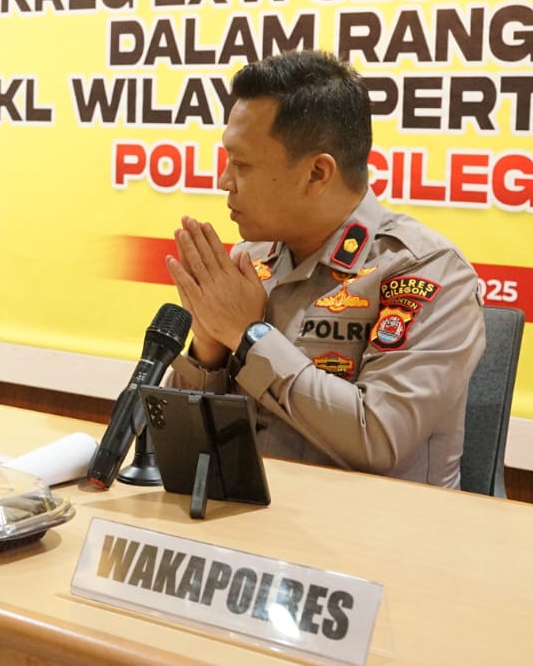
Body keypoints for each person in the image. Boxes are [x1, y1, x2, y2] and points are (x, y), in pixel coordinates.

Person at [166, 50, 484, 488]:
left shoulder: (426, 269)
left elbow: (379, 438)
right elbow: (176, 451)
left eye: (241, 164)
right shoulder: (250, 259)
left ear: (317, 173)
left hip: (374, 527)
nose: (224, 181)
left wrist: (249, 336)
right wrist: (208, 352)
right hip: (247, 517)